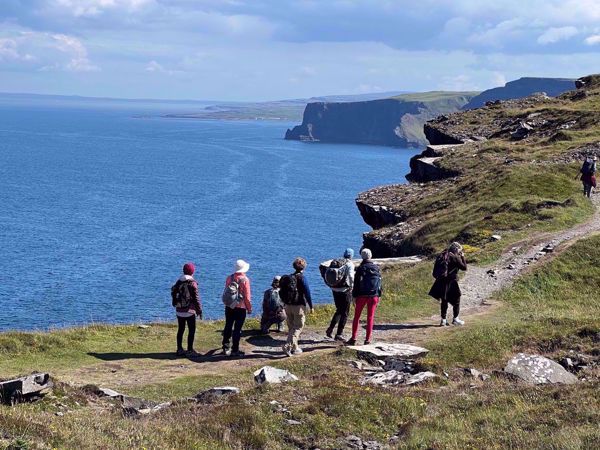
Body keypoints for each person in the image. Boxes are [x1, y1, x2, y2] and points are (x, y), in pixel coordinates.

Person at [346, 249, 382, 346]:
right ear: (370, 256)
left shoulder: (360, 268)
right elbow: (379, 283)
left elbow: (356, 284)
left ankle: (353, 338)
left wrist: (354, 296)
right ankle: (368, 339)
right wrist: (379, 295)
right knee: (370, 317)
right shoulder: (376, 267)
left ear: (362, 256)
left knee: (356, 317)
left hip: (361, 295)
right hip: (374, 295)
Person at [428, 242, 467, 326]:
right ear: (456, 249)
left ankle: (443, 320)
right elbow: (464, 267)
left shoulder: (443, 255)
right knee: (457, 299)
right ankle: (456, 319)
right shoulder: (455, 257)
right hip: (451, 281)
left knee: (444, 300)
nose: (459, 252)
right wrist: (462, 256)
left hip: (441, 281)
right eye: (459, 250)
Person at [280, 257, 313, 356]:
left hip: (288, 305)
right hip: (298, 306)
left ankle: (295, 348)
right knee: (298, 327)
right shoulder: (302, 278)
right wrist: (311, 306)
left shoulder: (289, 277)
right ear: (304, 267)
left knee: (291, 328)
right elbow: (307, 293)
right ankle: (287, 346)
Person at [221, 259, 252, 357]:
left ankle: (226, 347)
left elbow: (226, 291)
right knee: (237, 329)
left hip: (229, 306)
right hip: (240, 307)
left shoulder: (229, 278)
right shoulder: (245, 280)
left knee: (228, 326)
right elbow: (247, 297)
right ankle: (235, 350)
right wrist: (249, 308)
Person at [171, 262, 202, 357]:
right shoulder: (192, 283)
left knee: (181, 329)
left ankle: (179, 349)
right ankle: (190, 350)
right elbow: (196, 299)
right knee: (191, 329)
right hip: (189, 311)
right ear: (192, 272)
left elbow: (173, 294)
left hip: (179, 310)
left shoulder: (178, 281)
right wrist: (199, 310)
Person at [324, 248, 355, 341]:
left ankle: (330, 329)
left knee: (339, 310)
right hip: (344, 290)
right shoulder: (349, 264)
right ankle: (339, 334)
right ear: (351, 256)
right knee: (345, 313)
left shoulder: (336, 262)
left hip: (334, 289)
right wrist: (352, 287)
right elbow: (351, 277)